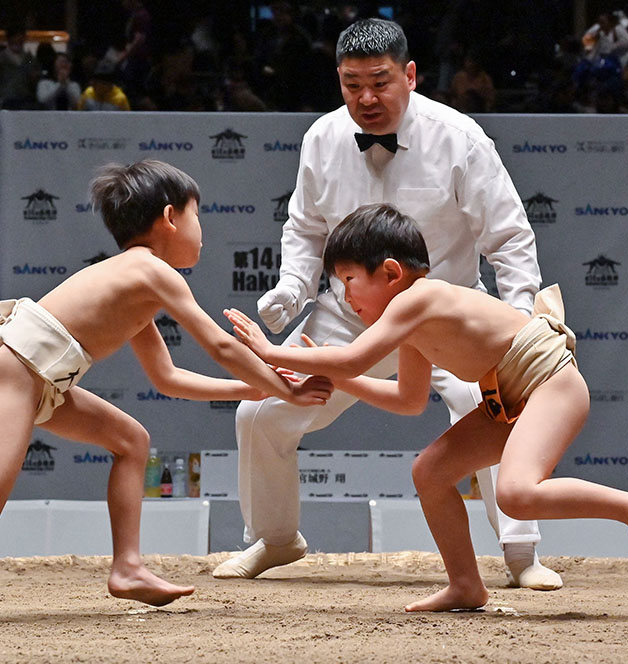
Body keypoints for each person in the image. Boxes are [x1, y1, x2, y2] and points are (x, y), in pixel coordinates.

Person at [0, 159, 333, 626]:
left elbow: (169, 379)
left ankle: (127, 568)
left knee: (131, 440)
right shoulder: (149, 270)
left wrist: (262, 386)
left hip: (41, 383)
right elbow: (220, 346)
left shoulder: (136, 284)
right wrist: (279, 386)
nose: (204, 232)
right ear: (171, 217)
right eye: (200, 217)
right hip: (16, 376)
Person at [213, 18, 562, 590]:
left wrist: (521, 318)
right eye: (352, 85)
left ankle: (521, 553)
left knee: (496, 406)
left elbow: (509, 237)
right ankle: (275, 539)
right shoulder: (322, 138)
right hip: (349, 314)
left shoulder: (460, 137)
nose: (366, 98)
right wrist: (291, 289)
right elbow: (304, 230)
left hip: (444, 314)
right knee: (258, 411)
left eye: (379, 82)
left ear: (411, 75)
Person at [224, 203, 628, 611]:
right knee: (430, 472)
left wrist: (270, 352)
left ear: (392, 272)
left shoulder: (419, 299)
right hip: (508, 396)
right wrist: (341, 380)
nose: (344, 296)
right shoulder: (415, 323)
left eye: (349, 280)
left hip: (551, 381)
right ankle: (466, 584)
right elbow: (408, 400)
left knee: (515, 492)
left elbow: (354, 355)